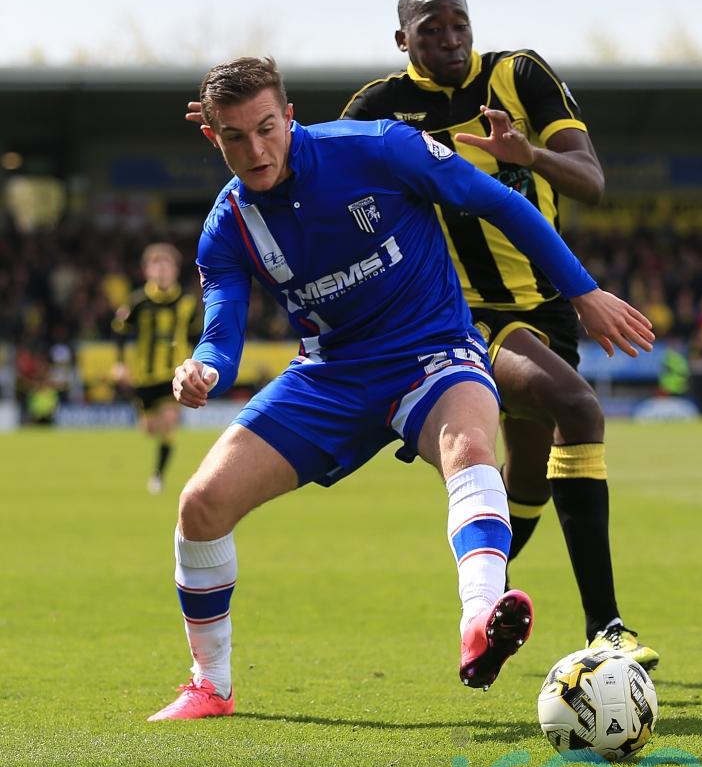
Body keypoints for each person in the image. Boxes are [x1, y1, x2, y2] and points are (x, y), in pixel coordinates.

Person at [152, 56, 653, 721]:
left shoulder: (379, 147)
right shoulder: (229, 223)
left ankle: (480, 623)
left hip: (433, 352)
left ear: (289, 115)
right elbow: (223, 325)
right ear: (212, 138)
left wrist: (582, 290)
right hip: (329, 374)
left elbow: (500, 200)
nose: (256, 147)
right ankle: (209, 686)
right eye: (236, 137)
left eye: (266, 127)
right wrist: (204, 367)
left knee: (470, 445)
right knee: (200, 505)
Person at [340, 0, 660, 669]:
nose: (451, 39)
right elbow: (340, 197)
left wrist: (530, 155)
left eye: (459, 24)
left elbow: (590, 181)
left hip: (547, 305)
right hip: (459, 314)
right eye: (431, 30)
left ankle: (484, 619)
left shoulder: (520, 74)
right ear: (404, 41)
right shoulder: (379, 109)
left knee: (531, 480)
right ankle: (606, 624)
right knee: (578, 404)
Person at [112, 243, 199, 494]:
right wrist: (120, 364)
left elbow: (196, 335)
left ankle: (158, 476)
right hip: (144, 376)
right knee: (150, 428)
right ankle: (158, 454)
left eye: (166, 265)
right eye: (156, 265)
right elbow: (119, 332)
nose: (161, 271)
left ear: (175, 270)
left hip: (174, 374)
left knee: (169, 421)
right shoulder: (138, 302)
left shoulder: (187, 303)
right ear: (147, 271)